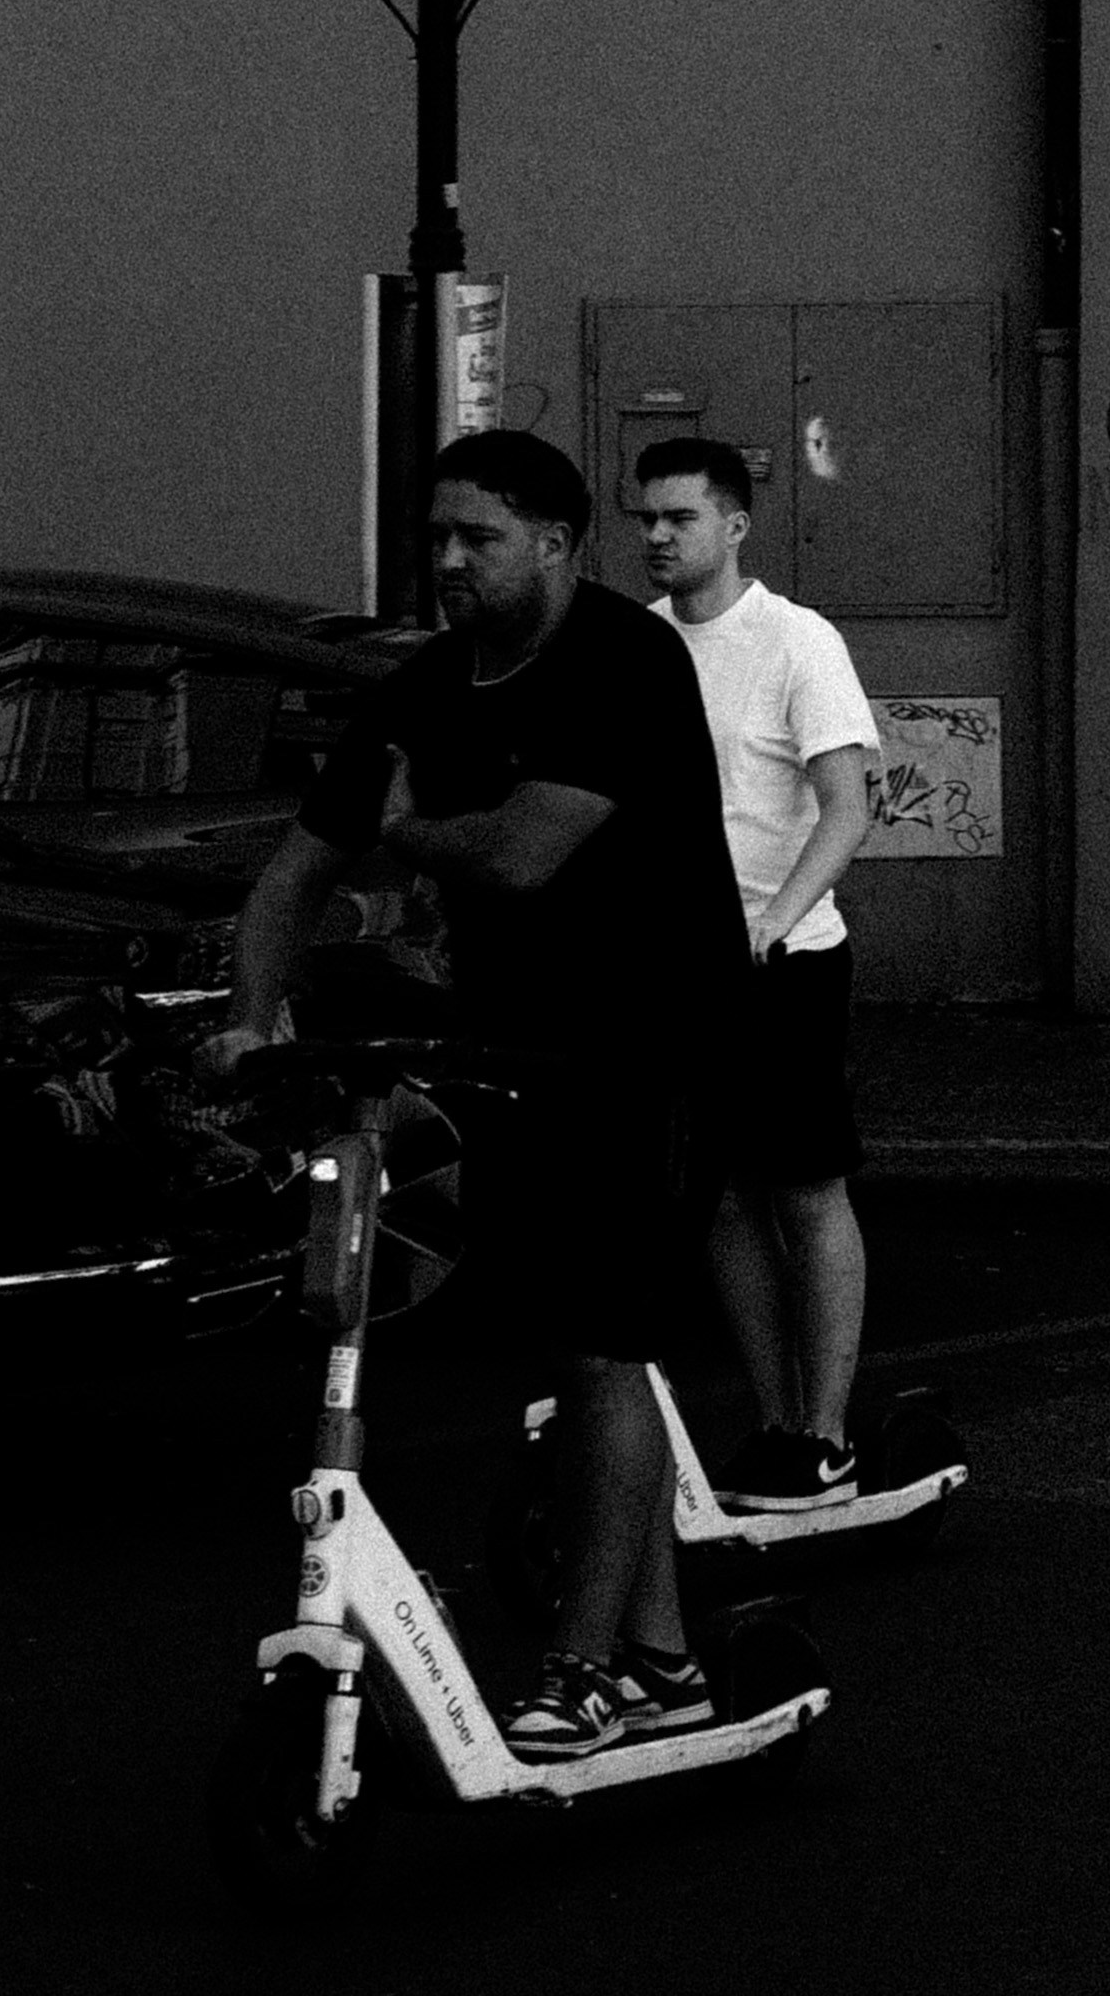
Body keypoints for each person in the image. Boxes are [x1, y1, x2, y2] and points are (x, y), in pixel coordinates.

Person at [219, 430, 751, 1762]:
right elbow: (292, 875)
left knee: (600, 1346)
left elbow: (519, 855)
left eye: (480, 538)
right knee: (576, 1352)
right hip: (511, 1056)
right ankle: (664, 1661)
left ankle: (584, 1670)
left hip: (653, 1050)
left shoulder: (623, 662)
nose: (449, 561)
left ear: (556, 545)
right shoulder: (424, 687)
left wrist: (405, 832)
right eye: (438, 537)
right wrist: (247, 1022)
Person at [638, 436, 884, 1505]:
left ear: (734, 526)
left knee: (807, 1190)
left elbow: (848, 807)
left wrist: (773, 926)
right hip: (677, 970)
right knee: (725, 1200)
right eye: (647, 517)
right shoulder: (639, 645)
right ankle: (776, 1419)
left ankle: (825, 1434)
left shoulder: (797, 641)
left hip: (784, 966)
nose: (657, 535)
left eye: (679, 518)